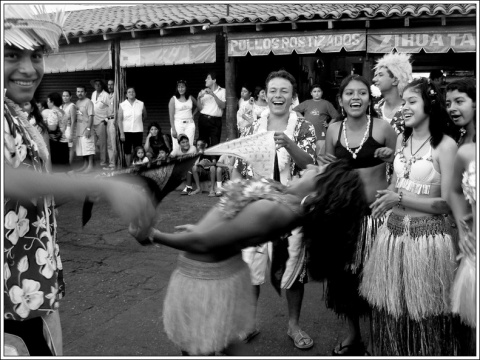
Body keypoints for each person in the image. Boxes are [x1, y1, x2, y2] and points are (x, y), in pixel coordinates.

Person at [3, 4, 155, 356]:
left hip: (27, 285)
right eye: (11, 54)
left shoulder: (15, 111)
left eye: (37, 55)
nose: (28, 69)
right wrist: (104, 185)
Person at [128, 159, 368, 356]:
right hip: (215, 271)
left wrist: (153, 235)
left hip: (204, 278)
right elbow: (228, 225)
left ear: (320, 192)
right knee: (218, 344)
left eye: (318, 170)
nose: (309, 166)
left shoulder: (275, 210)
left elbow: (203, 243)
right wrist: (205, 226)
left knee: (197, 349)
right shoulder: (286, 201)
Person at [360, 78, 458, 356]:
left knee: (424, 310)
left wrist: (398, 197)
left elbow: (445, 204)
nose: (404, 107)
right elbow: (397, 184)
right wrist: (386, 196)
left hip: (428, 240)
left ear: (430, 104)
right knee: (394, 307)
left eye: (411, 101)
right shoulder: (402, 139)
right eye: (403, 101)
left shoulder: (446, 146)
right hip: (392, 235)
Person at [233, 70, 317, 350]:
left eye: (284, 91)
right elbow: (239, 168)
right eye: (273, 91)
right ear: (265, 95)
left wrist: (289, 145)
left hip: (290, 210)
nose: (278, 96)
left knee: (292, 268)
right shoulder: (251, 128)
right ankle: (249, 323)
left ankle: (294, 325)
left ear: (293, 97)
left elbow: (311, 167)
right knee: (251, 268)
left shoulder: (304, 127)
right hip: (256, 210)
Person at [320, 74, 397, 356]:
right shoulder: (333, 130)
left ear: (369, 98)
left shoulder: (383, 128)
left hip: (375, 218)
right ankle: (354, 335)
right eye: (349, 93)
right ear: (340, 100)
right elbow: (328, 172)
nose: (355, 98)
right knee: (344, 282)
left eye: (362, 93)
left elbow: (404, 170)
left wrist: (392, 158)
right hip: (343, 218)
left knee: (377, 279)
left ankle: (378, 339)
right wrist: (324, 164)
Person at [293, 83, 339, 156]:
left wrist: (329, 124)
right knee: (308, 156)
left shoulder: (326, 103)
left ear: (322, 93)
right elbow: (295, 110)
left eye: (319, 91)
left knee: (321, 156)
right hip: (307, 135)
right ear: (311, 93)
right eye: (314, 91)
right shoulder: (307, 103)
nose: (317, 93)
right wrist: (302, 118)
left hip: (321, 135)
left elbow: (335, 116)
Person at [372, 52, 413, 136]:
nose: (374, 79)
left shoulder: (410, 110)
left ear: (395, 80)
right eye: (375, 75)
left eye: (380, 75)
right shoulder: (374, 109)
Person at [118, 86, 147, 167]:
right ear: (126, 94)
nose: (131, 93)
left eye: (133, 92)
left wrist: (138, 122)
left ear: (135, 93)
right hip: (126, 131)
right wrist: (121, 133)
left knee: (137, 149)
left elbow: (145, 116)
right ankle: (128, 167)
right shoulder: (122, 105)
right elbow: (119, 120)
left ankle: (137, 166)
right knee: (127, 150)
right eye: (129, 92)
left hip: (138, 131)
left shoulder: (141, 104)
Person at [197, 71, 226, 147]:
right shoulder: (203, 92)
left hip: (215, 121)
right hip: (203, 119)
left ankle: (214, 159)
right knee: (202, 144)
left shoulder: (223, 91)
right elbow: (199, 109)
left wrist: (213, 94)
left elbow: (223, 106)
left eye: (208, 78)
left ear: (214, 80)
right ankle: (204, 159)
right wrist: (198, 98)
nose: (205, 80)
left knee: (215, 144)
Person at [445, 78, 476, 147]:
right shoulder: (455, 137)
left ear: (475, 103)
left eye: (459, 102)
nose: (451, 108)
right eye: (448, 104)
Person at [169, 79, 197, 153]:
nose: (180, 89)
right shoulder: (173, 99)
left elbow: (199, 106)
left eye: (182, 87)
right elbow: (171, 116)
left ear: (186, 88)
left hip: (189, 124)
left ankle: (189, 163)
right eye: (179, 87)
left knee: (189, 145)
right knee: (177, 146)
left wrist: (193, 114)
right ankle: (178, 163)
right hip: (178, 123)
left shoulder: (190, 97)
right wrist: (173, 129)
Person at [45, 92, 69, 171]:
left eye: (48, 101)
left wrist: (44, 125)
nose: (47, 103)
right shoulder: (63, 112)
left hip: (56, 143)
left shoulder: (53, 112)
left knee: (56, 168)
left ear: (52, 102)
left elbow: (53, 128)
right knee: (66, 167)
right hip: (63, 140)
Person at [74, 85, 95, 173]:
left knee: (89, 148)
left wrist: (88, 129)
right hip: (79, 130)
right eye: (78, 91)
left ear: (85, 93)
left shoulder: (88, 102)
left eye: (81, 91)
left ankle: (90, 166)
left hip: (86, 130)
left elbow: (91, 116)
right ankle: (85, 165)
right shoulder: (77, 103)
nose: (80, 93)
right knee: (83, 149)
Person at [90, 78, 110, 167]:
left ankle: (103, 163)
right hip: (92, 122)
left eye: (99, 84)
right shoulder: (93, 94)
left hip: (101, 122)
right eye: (96, 84)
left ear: (102, 85)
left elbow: (111, 108)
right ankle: (91, 162)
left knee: (102, 145)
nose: (97, 86)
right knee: (91, 143)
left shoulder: (106, 95)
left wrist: (106, 119)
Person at [103, 79, 117, 170]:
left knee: (113, 143)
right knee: (109, 144)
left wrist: (115, 122)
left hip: (113, 121)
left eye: (112, 84)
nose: (110, 86)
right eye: (108, 85)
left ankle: (115, 164)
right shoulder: (109, 96)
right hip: (108, 121)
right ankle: (112, 164)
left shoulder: (117, 95)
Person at [61, 90, 77, 165]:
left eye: (67, 96)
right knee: (64, 147)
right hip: (63, 129)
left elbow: (73, 121)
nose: (65, 97)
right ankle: (65, 164)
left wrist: (71, 134)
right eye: (63, 96)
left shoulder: (72, 106)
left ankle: (69, 165)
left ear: (70, 97)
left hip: (69, 128)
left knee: (70, 148)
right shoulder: (62, 106)